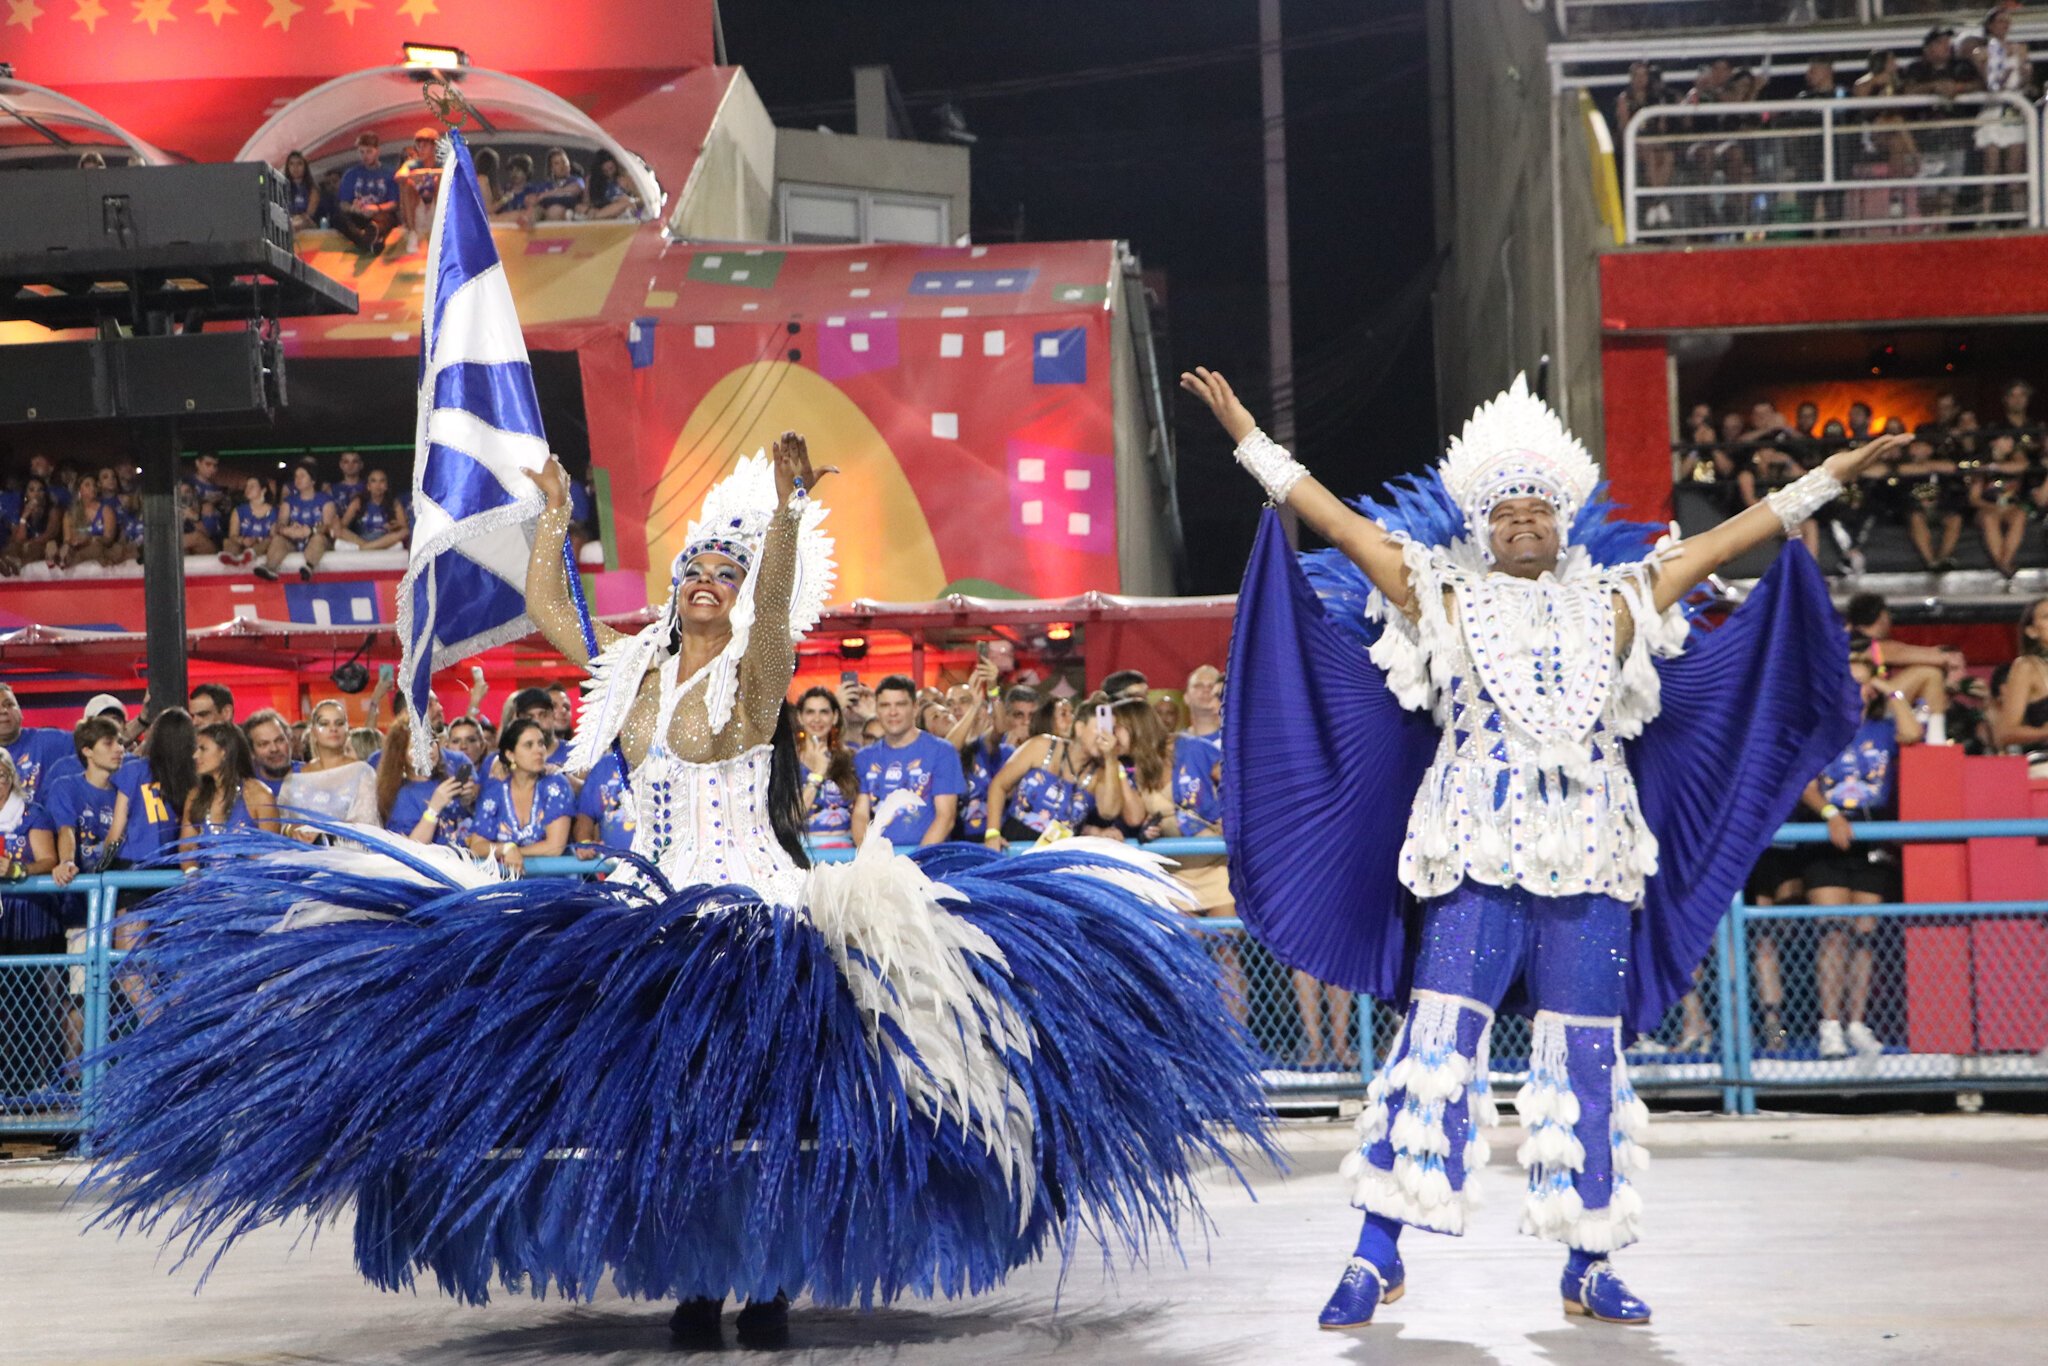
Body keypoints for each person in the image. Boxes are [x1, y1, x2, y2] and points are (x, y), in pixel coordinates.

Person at [86, 434, 1268, 1347]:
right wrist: (554, 522)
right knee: (671, 1118)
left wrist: (795, 514)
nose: (704, 579)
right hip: (642, 917)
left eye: (724, 571)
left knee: (774, 1117)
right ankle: (696, 1277)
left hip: (756, 919)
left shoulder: (755, 685)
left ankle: (764, 1278)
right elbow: (556, 616)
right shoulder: (629, 683)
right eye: (692, 568)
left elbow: (763, 625)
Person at [1187, 364, 1892, 1329]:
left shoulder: (1619, 598)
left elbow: (1734, 538)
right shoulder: (1436, 593)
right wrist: (1248, 442)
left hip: (1596, 857)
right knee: (1435, 1048)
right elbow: (1341, 522)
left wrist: (1827, 480)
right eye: (1505, 507)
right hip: (1473, 853)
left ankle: (1589, 1262)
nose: (1523, 518)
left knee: (1587, 1062)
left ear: (1563, 521)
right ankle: (1374, 1253)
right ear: (1480, 523)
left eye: (1539, 507)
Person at [1801, 657, 1918, 1061]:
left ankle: (1856, 1022)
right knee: (1834, 933)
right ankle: (1830, 1026)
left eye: (1864, 684)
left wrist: (1890, 691)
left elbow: (1912, 732)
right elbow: (1806, 782)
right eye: (1848, 683)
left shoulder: (1882, 728)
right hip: (1829, 835)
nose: (1857, 691)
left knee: (1864, 935)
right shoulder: (1821, 726)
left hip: (1872, 837)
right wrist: (1830, 815)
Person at [983, 695, 1124, 847]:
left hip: (1060, 856)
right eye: (1100, 727)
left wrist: (1110, 758)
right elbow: (999, 785)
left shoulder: (1102, 773)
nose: (1106, 736)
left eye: (1110, 730)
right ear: (1080, 728)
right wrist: (992, 834)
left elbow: (1109, 811)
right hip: (1015, 844)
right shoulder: (1042, 746)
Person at [850, 675, 965, 848]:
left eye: (900, 704)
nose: (893, 712)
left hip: (926, 861)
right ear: (877, 710)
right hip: (879, 862)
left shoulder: (942, 751)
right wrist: (867, 857)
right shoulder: (864, 757)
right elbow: (860, 814)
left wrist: (914, 864)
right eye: (885, 705)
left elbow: (946, 817)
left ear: (915, 707)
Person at [466, 718, 574, 875]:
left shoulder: (556, 785)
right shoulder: (495, 793)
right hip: (507, 887)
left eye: (541, 743)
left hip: (554, 884)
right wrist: (506, 848)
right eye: (528, 745)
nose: (539, 750)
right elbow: (477, 845)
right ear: (510, 755)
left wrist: (515, 852)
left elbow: (554, 847)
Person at [274, 698, 378, 835]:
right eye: (324, 723)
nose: (333, 729)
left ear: (347, 729)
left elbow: (367, 825)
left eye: (339, 723)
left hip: (348, 854)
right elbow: (281, 823)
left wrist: (322, 832)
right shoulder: (294, 778)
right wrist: (292, 831)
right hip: (299, 853)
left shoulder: (362, 772)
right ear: (313, 731)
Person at [380, 718, 472, 850]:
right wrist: (433, 809)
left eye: (431, 742)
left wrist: (470, 799)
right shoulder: (401, 796)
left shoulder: (447, 779)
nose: (428, 751)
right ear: (401, 754)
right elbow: (410, 852)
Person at [793, 687, 857, 852]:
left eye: (824, 712)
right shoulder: (787, 762)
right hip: (803, 850)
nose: (817, 719)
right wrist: (817, 774)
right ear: (800, 717)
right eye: (810, 712)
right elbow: (791, 817)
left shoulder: (852, 757)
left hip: (846, 850)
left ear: (835, 717)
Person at [0, 683, 78, 804]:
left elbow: (94, 745)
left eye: (9, 704)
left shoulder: (50, 741)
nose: (3, 711)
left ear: (20, 712)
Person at [257, 461, 335, 582]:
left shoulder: (325, 500)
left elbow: (328, 526)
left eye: (302, 476)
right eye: (296, 476)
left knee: (318, 539)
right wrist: (287, 530)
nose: (297, 479)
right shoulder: (289, 501)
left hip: (317, 540)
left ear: (313, 480)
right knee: (278, 539)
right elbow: (280, 523)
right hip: (294, 540)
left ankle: (308, 567)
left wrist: (310, 531)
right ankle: (270, 567)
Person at [335, 131, 400, 254]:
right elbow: (343, 204)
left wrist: (376, 208)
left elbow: (394, 203)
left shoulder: (389, 173)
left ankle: (369, 237)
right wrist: (354, 209)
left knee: (388, 219)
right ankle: (365, 241)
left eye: (369, 152)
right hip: (358, 215)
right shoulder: (351, 174)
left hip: (379, 214)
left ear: (377, 151)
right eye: (361, 152)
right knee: (338, 218)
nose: (365, 156)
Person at [570, 746, 635, 858]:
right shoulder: (604, 766)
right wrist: (585, 842)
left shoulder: (671, 767)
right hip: (612, 869)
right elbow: (585, 815)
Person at [334, 469, 410, 552]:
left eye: (382, 481)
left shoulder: (394, 503)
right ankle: (368, 547)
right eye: (374, 481)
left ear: (386, 486)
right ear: (368, 486)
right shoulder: (358, 502)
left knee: (404, 532)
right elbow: (342, 526)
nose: (378, 485)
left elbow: (404, 528)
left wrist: (394, 526)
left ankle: (366, 548)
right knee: (338, 530)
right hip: (360, 539)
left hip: (384, 540)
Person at [396, 126, 443, 249]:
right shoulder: (413, 164)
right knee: (407, 184)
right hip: (418, 210)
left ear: (434, 147)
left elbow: (457, 174)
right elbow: (399, 176)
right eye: (419, 146)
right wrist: (413, 175)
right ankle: (412, 233)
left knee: (441, 180)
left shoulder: (442, 162)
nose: (421, 150)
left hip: (437, 209)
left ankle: (442, 231)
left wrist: (427, 173)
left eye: (425, 146)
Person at [217, 475, 278, 568]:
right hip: (242, 547)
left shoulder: (274, 512)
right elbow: (232, 535)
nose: (247, 489)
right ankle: (233, 563)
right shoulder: (239, 510)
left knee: (269, 541)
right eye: (247, 486)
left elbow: (273, 537)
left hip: (262, 550)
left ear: (263, 490)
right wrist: (242, 540)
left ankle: (251, 554)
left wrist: (257, 540)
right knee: (228, 542)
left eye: (252, 486)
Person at [241, 709, 297, 794]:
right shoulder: (245, 789)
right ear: (252, 752)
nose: (274, 749)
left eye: (279, 740)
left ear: (290, 740)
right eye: (264, 744)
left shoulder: (311, 775)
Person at [530, 147, 587, 222]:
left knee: (555, 211)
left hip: (568, 213)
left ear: (569, 164)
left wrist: (546, 195)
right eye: (557, 163)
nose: (562, 166)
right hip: (546, 214)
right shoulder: (546, 185)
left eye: (564, 162)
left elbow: (575, 189)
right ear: (551, 168)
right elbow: (535, 199)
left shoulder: (576, 180)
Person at [586, 152, 642, 220]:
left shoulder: (625, 178)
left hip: (625, 207)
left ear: (616, 165)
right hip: (602, 207)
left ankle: (597, 216)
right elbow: (587, 201)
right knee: (580, 207)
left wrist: (629, 199)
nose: (609, 173)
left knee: (626, 203)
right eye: (605, 171)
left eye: (611, 168)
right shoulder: (594, 180)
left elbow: (641, 199)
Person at [281, 150, 323, 234]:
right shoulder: (281, 188)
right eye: (291, 164)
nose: (295, 167)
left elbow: (309, 215)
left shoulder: (312, 189)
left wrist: (296, 221)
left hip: (308, 228)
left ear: (305, 166)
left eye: (299, 164)